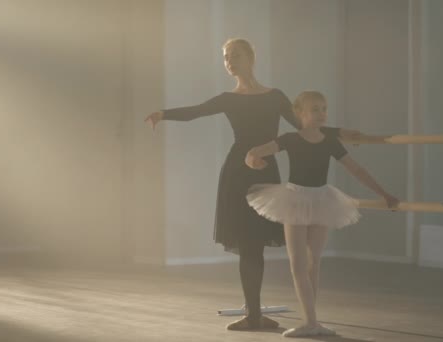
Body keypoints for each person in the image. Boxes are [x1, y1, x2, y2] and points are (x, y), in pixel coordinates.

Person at [144, 38, 360, 330]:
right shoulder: (227, 98)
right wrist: (163, 114)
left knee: (255, 242)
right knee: (247, 243)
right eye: (225, 57)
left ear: (250, 57)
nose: (229, 61)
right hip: (236, 172)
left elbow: (304, 126)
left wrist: (346, 134)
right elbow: (196, 111)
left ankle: (256, 314)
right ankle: (254, 315)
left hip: (265, 169)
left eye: (234, 55)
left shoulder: (275, 96)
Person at [245, 90, 399, 337]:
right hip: (295, 199)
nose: (321, 113)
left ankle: (311, 322)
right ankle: (311, 321)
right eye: (315, 109)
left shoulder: (330, 141)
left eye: (324, 108)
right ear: (300, 113)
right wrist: (252, 160)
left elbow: (356, 170)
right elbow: (254, 152)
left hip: (321, 199)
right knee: (298, 264)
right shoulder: (290, 139)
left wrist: (385, 194)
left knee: (313, 263)